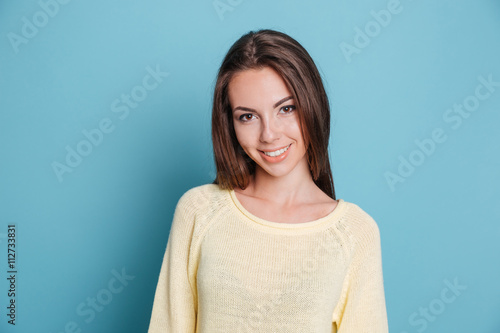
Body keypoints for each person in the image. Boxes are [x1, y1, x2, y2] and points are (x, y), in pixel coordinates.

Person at [148, 29, 389, 332]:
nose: (269, 135)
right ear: (230, 124)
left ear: (312, 105)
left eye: (286, 109)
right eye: (247, 116)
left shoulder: (354, 232)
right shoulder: (198, 211)